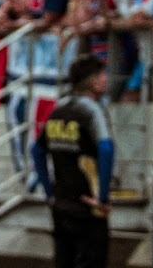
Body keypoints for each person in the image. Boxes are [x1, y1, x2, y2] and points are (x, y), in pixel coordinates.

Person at [32, 55, 114, 268]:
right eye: (103, 74)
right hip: (88, 205)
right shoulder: (92, 110)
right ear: (94, 81)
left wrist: (50, 192)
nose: (106, 79)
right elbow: (106, 149)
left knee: (63, 260)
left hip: (61, 202)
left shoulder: (59, 108)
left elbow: (36, 150)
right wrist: (102, 197)